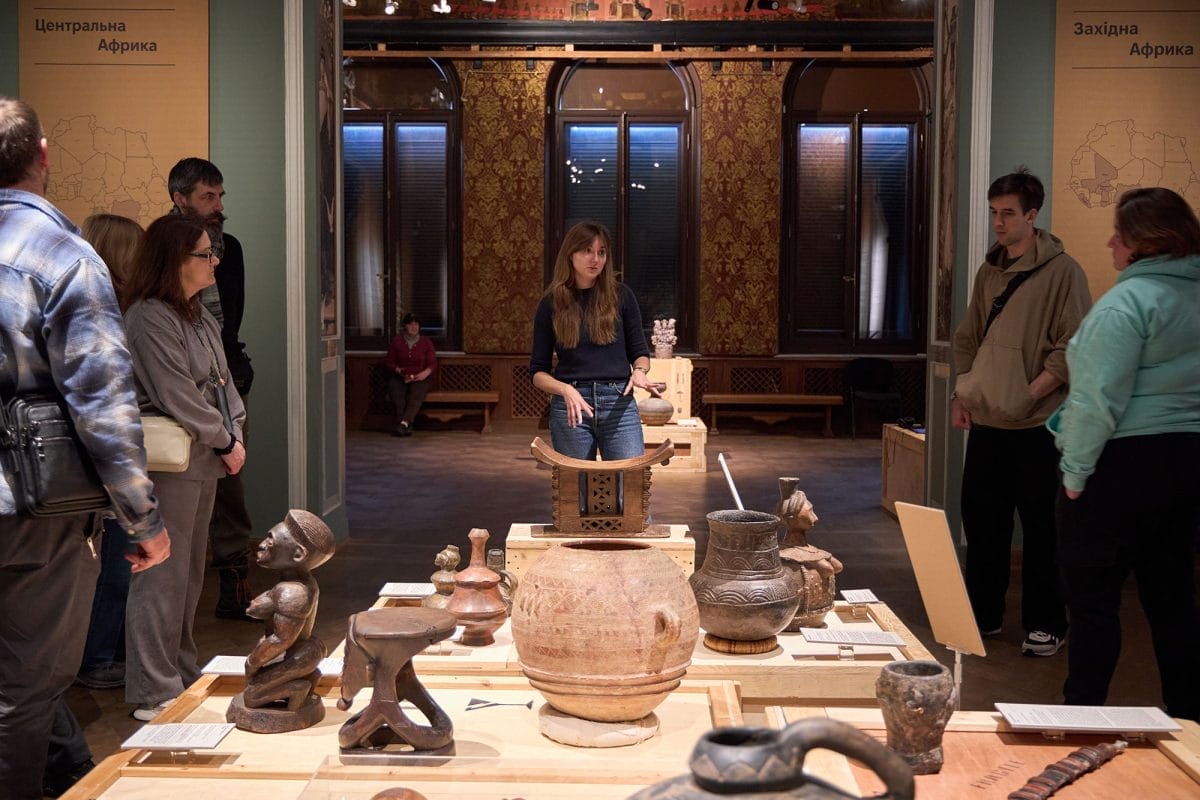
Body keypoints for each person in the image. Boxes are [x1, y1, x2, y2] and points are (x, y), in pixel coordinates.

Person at [0, 96, 170, 800]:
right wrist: (143, 519)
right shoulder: (63, 257)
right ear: (43, 154)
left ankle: (72, 776)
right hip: (32, 510)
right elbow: (102, 405)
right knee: (25, 686)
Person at [1048, 187, 1200, 721]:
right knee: (1174, 603)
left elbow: (1095, 400)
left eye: (1121, 234)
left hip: (1120, 468)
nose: (1111, 242)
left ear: (1145, 243)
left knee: (1093, 607)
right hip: (1188, 464)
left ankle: (1080, 720)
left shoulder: (1126, 304)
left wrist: (1074, 474)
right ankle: (1190, 729)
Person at [950, 167, 1091, 657]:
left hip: (1036, 425)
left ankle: (1046, 624)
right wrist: (962, 394)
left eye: (1008, 213)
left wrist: (1032, 390)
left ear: (1032, 215)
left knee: (1042, 528)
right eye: (994, 212)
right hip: (987, 422)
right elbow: (968, 336)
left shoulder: (1064, 272)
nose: (998, 222)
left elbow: (1074, 343)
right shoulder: (988, 271)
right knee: (983, 525)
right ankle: (983, 615)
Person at [121, 214, 247, 722]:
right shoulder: (149, 317)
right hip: (171, 464)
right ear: (175, 260)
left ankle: (181, 673)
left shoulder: (198, 315)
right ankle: (153, 690)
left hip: (205, 458)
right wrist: (225, 438)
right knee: (163, 577)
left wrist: (234, 432)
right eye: (203, 253)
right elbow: (176, 393)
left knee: (191, 574)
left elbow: (223, 384)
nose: (214, 261)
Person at [168, 157, 257, 622]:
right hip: (177, 379)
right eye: (207, 196)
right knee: (181, 484)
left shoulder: (231, 249)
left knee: (230, 485)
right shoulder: (162, 247)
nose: (218, 205)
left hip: (226, 375)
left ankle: (233, 582)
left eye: (220, 195)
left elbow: (231, 317)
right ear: (180, 199)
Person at [74, 214, 145, 692]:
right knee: (115, 564)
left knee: (122, 562)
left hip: (111, 456)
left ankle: (111, 652)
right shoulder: (102, 317)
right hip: (107, 458)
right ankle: (97, 657)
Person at [530, 220, 660, 460]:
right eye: (587, 251)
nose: (595, 259)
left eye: (601, 252)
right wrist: (564, 389)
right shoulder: (551, 303)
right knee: (577, 482)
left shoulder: (622, 296)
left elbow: (640, 353)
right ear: (570, 254)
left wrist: (640, 371)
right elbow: (538, 372)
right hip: (572, 405)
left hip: (618, 402)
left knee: (628, 477)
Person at [384, 312, 437, 437]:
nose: (413, 327)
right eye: (410, 324)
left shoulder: (426, 342)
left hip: (421, 377)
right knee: (397, 394)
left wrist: (424, 373)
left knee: (416, 394)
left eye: (416, 324)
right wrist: (398, 370)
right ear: (405, 326)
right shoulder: (397, 341)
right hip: (401, 376)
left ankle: (403, 424)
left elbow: (433, 363)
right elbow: (389, 361)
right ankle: (406, 425)